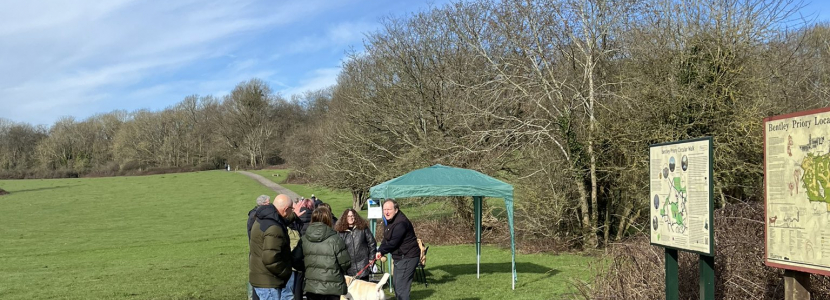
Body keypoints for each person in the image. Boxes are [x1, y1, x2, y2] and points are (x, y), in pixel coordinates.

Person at [293, 207, 351, 300]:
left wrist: (306, 268)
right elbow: (345, 263)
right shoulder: (335, 239)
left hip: (312, 286)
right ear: (328, 220)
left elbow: (294, 259)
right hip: (332, 286)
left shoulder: (304, 239)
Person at [250, 194, 297, 300]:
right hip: (269, 282)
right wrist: (285, 272)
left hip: (261, 277)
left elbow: (280, 222)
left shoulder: (263, 218)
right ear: (286, 209)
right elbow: (270, 258)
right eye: (292, 209)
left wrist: (294, 216)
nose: (292, 212)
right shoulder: (274, 228)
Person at [375, 199, 419, 300]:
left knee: (401, 288)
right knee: (396, 285)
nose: (386, 212)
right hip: (399, 257)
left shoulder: (401, 223)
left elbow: (393, 242)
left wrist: (381, 251)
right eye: (384, 209)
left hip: (408, 256)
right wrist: (380, 250)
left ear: (396, 210)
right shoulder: (389, 221)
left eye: (389, 209)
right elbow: (386, 239)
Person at [335, 208, 377, 280]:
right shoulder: (340, 232)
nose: (350, 218)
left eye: (352, 216)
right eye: (348, 216)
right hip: (348, 268)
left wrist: (371, 258)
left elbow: (372, 243)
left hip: (363, 266)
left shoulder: (363, 228)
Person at [248, 195, 271, 300]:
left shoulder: (254, 214)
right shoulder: (256, 216)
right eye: (268, 203)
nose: (270, 204)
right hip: (258, 251)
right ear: (264, 204)